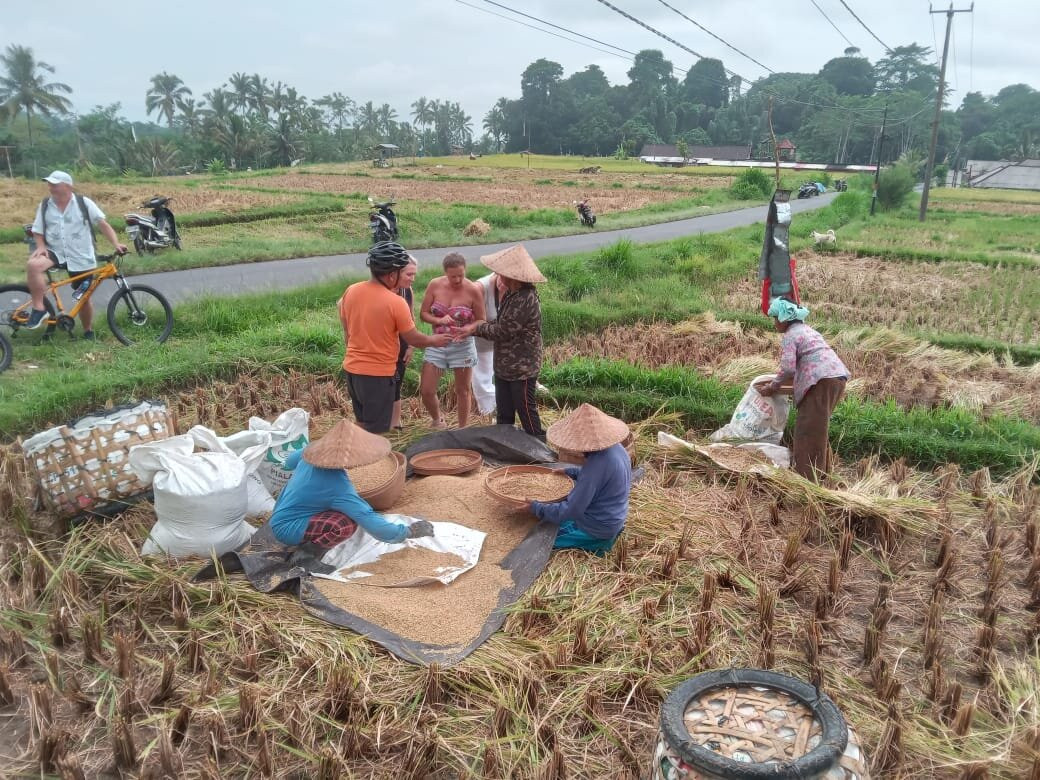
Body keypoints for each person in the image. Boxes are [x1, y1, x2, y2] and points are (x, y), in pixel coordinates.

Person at [269, 419, 433, 562]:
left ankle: (307, 540)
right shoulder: (338, 488)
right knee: (345, 524)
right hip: (287, 528)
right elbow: (368, 518)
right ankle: (307, 555)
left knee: (337, 511)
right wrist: (407, 532)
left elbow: (289, 462)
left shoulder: (311, 452)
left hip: (280, 512)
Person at [338, 241, 453, 433]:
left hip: (352, 371)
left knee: (362, 424)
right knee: (376, 432)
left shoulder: (352, 290)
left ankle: (357, 459)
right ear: (391, 275)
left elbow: (346, 325)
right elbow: (413, 338)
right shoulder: (395, 302)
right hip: (377, 375)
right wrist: (435, 340)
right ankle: (372, 462)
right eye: (401, 272)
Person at [457, 244, 546, 438]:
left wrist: (476, 327)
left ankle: (539, 448)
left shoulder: (525, 298)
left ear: (513, 276)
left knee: (526, 410)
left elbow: (503, 330)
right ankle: (505, 444)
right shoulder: (512, 294)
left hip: (522, 366)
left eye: (502, 273)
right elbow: (500, 322)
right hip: (505, 365)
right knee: (504, 412)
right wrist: (476, 326)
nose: (499, 276)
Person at [26, 171, 128, 340]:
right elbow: (38, 230)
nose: (51, 188)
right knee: (33, 265)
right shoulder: (45, 205)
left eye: (55, 184)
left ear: (68, 186)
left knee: (83, 297)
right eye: (49, 184)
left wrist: (116, 244)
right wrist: (41, 246)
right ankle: (39, 309)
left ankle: (87, 330)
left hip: (81, 255)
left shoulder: (83, 203)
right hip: (55, 252)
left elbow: (102, 224)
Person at [758, 297, 850, 482]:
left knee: (807, 433)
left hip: (820, 382)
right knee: (817, 429)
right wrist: (781, 385)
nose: (775, 324)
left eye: (776, 318)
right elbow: (799, 370)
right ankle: (820, 475)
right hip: (835, 380)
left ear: (784, 318)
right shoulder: (808, 330)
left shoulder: (791, 335)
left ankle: (805, 483)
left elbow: (788, 368)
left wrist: (772, 387)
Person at [526, 404, 632, 554]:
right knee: (550, 517)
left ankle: (595, 543)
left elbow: (570, 511)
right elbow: (602, 478)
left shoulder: (595, 466)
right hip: (614, 516)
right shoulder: (617, 449)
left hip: (597, 527)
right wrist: (571, 472)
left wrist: (535, 507)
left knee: (539, 539)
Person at [418, 253, 486, 429]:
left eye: (460, 275)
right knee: (426, 390)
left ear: (465, 270)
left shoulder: (473, 290)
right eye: (452, 276)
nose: (457, 279)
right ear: (445, 273)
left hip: (462, 345)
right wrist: (439, 320)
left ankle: (462, 429)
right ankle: (437, 420)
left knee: (463, 390)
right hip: (437, 343)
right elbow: (423, 314)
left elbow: (481, 320)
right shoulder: (435, 285)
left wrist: (468, 329)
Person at [390, 255, 419, 430]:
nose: (412, 279)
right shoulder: (383, 292)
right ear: (396, 273)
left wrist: (411, 345)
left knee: (397, 382)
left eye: (414, 275)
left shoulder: (407, 291)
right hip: (384, 347)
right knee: (383, 384)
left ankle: (395, 424)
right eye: (409, 274)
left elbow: (411, 317)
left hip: (401, 345)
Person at [471, 271, 504, 416]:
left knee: (507, 377)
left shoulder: (518, 287)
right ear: (496, 274)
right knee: (482, 380)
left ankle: (504, 410)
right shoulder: (479, 288)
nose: (504, 284)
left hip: (504, 342)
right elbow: (470, 320)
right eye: (502, 279)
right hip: (481, 343)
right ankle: (489, 413)